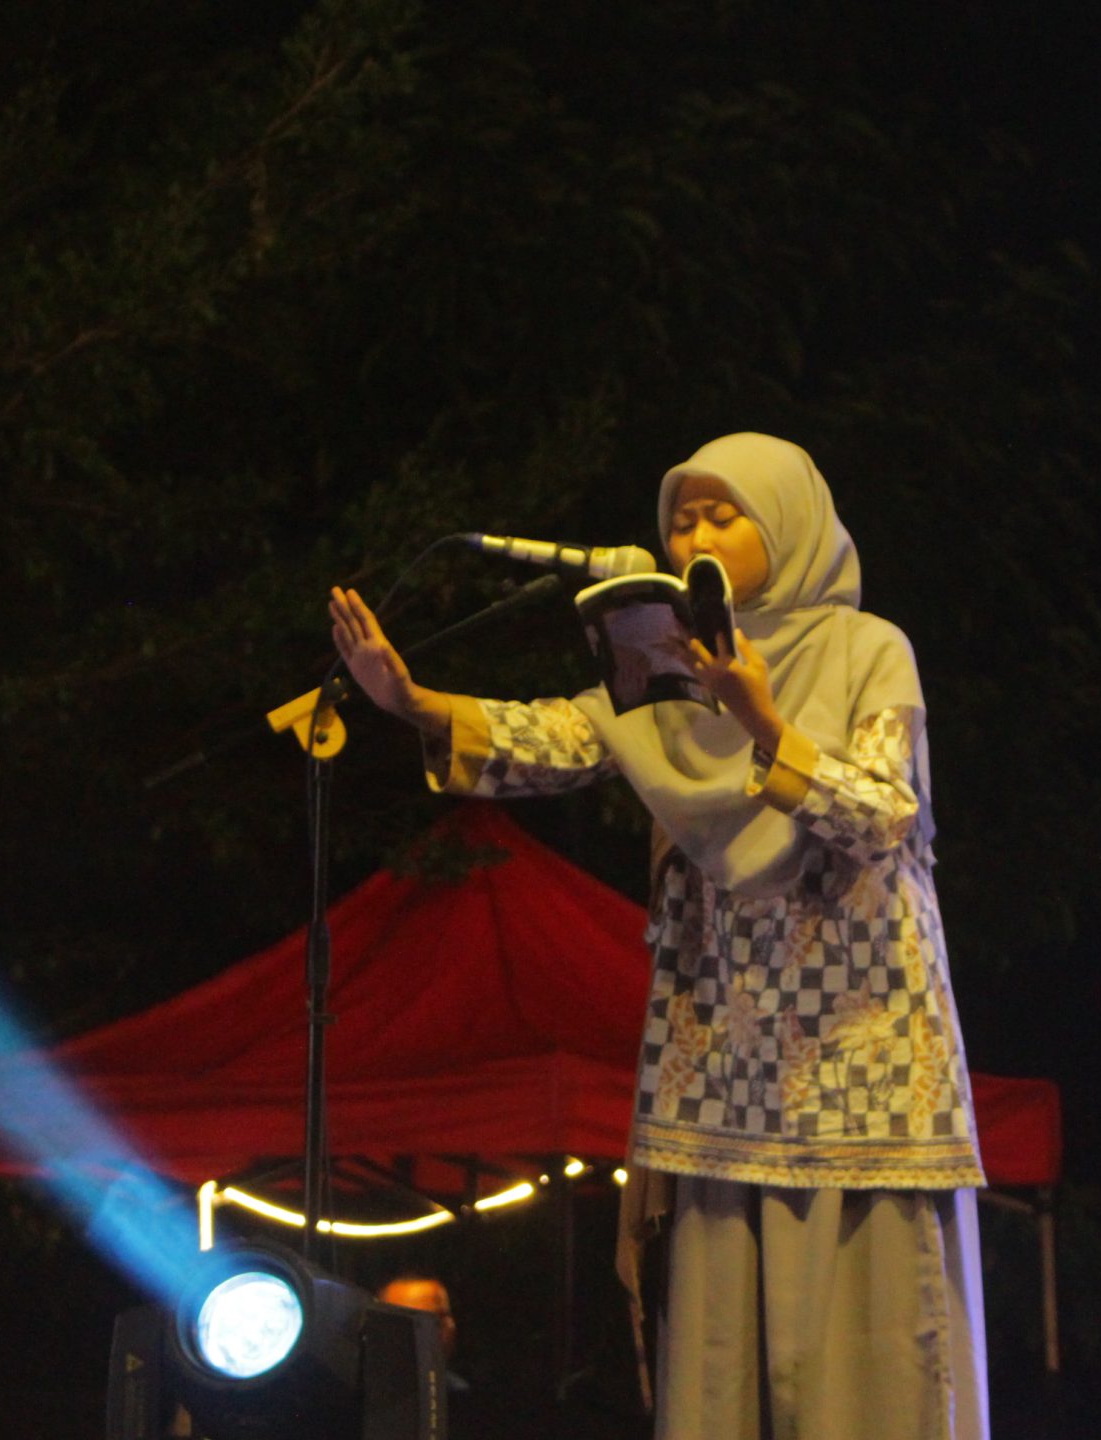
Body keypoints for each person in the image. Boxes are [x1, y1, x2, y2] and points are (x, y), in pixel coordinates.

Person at [331, 432, 987, 1440]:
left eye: (724, 515)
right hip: (723, 1048)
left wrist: (764, 722)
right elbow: (559, 738)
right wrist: (411, 702)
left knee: (868, 1346)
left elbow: (883, 816)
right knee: (722, 1351)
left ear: (789, 524)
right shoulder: (660, 663)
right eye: (682, 520)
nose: (695, 536)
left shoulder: (867, 649)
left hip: (862, 1045)